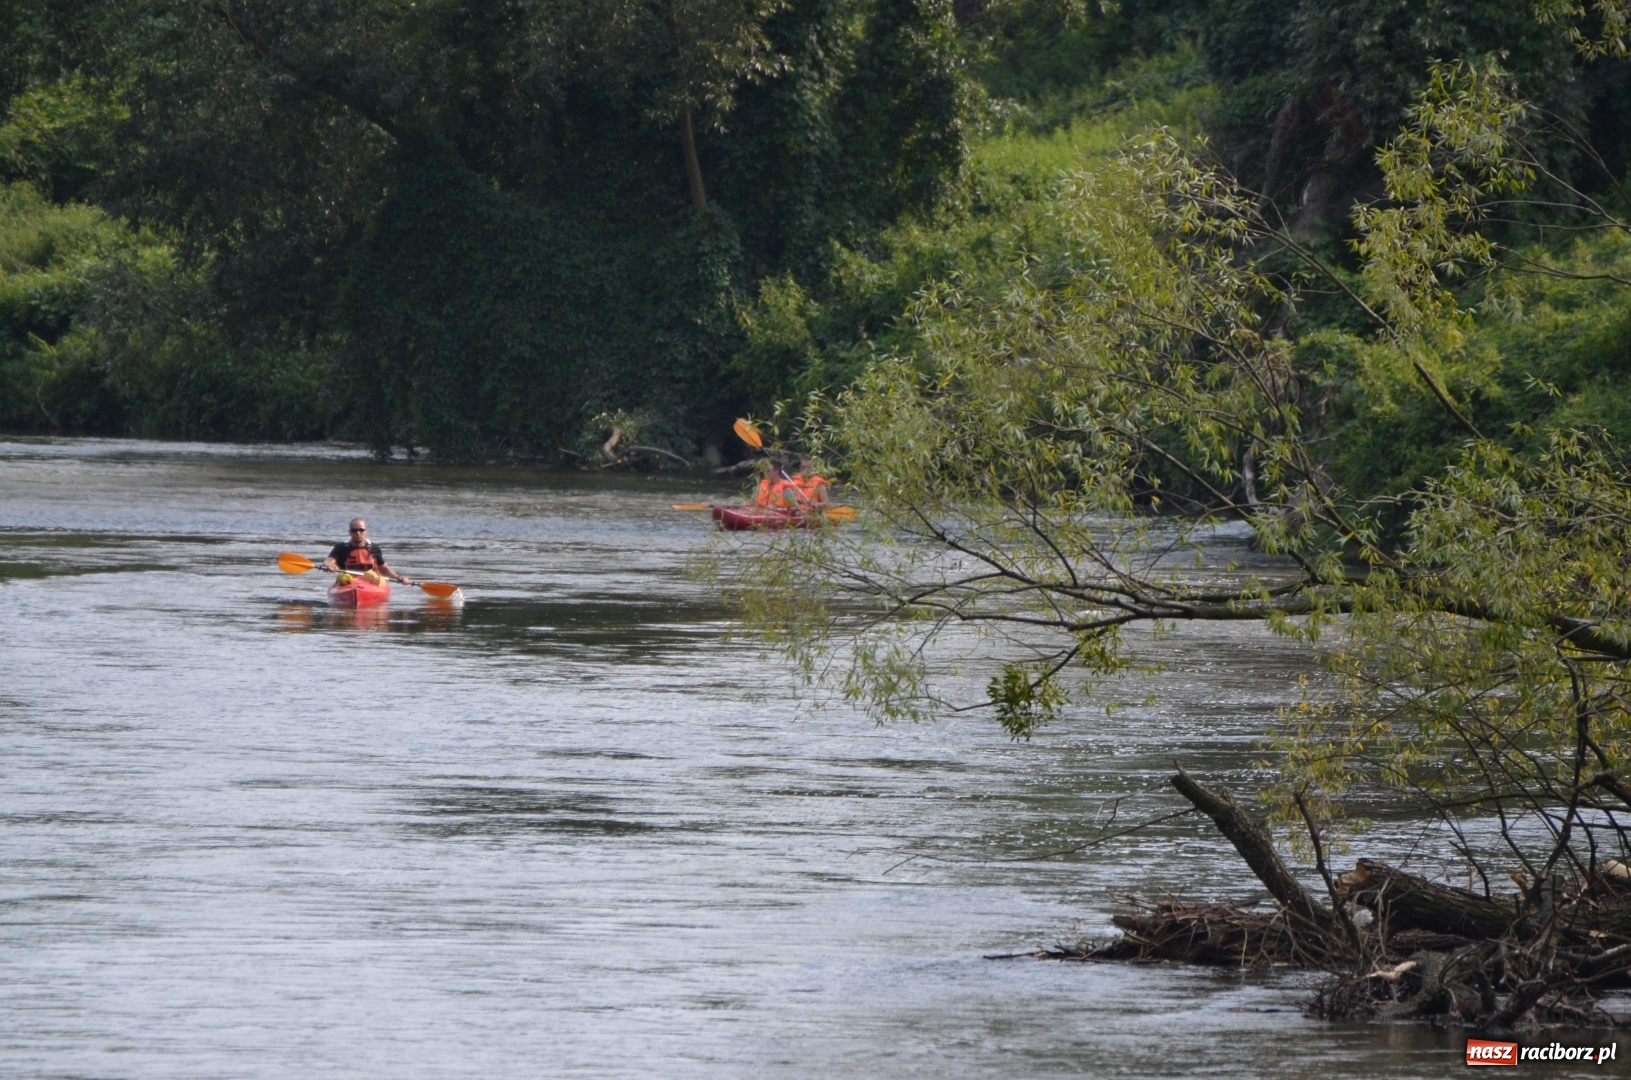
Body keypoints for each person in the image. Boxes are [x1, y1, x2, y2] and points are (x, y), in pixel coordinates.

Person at [322, 519, 414, 585]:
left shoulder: (374, 548)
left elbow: (384, 568)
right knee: (344, 578)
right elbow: (329, 560)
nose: (358, 533)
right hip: (347, 582)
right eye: (354, 530)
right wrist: (328, 566)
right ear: (349, 532)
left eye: (361, 530)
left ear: (366, 531)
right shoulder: (341, 547)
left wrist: (398, 578)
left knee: (377, 578)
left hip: (370, 581)